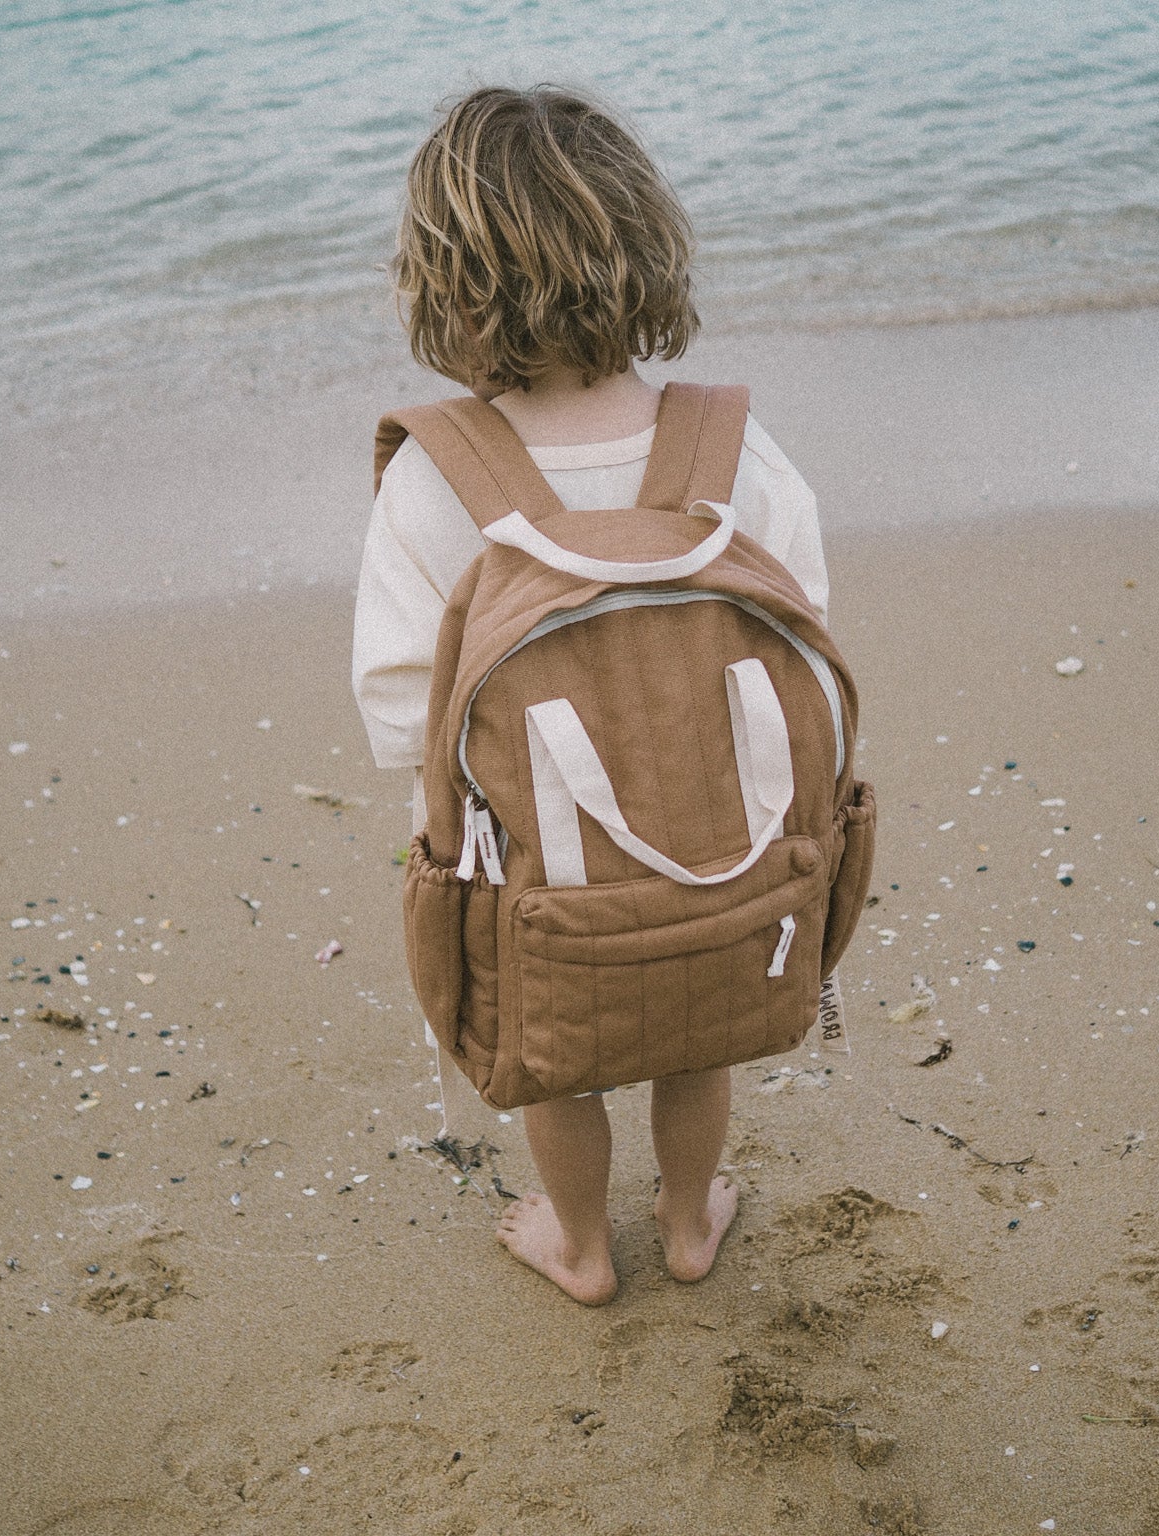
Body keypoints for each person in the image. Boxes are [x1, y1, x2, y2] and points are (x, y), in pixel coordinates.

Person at [352, 85, 830, 1305]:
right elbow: (807, 643)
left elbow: (403, 707)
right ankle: (684, 1222)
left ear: (439, 279)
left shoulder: (434, 486)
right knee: (697, 1031)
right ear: (645, 243)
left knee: (554, 1062)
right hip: (721, 862)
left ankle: (578, 1245)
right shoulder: (733, 452)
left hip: (540, 884)